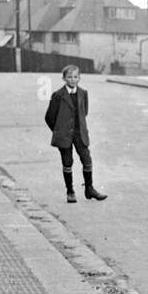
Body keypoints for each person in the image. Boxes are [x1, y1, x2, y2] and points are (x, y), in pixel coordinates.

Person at [44, 66, 106, 203]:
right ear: (64, 78)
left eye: (75, 77)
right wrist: (59, 130)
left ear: (79, 78)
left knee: (87, 159)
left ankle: (89, 189)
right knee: (67, 162)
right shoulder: (58, 95)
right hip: (64, 135)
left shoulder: (83, 93)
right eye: (70, 77)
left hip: (79, 133)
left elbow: (85, 112)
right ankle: (70, 191)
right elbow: (49, 117)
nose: (73, 80)